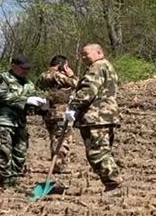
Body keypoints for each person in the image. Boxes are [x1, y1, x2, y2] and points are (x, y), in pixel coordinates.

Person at [64, 44, 122, 195]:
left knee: (97, 152)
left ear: (98, 52)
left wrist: (73, 107)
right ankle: (112, 183)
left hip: (96, 117)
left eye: (86, 54)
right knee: (103, 150)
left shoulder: (97, 67)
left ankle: (113, 184)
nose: (83, 58)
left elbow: (88, 89)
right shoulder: (108, 67)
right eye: (81, 55)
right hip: (107, 115)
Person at [0, 55, 47, 188]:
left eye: (28, 68)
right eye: (23, 68)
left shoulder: (28, 84)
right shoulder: (2, 79)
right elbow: (2, 95)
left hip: (19, 123)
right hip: (1, 121)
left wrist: (41, 106)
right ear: (14, 66)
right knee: (4, 152)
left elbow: (31, 106)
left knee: (20, 152)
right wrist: (26, 100)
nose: (25, 71)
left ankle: (15, 178)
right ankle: (6, 181)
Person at [37, 55, 78, 173]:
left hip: (47, 112)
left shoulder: (42, 76)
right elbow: (76, 83)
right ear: (62, 65)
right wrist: (71, 74)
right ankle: (58, 165)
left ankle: (56, 164)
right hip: (61, 112)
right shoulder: (58, 75)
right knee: (63, 138)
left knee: (54, 138)